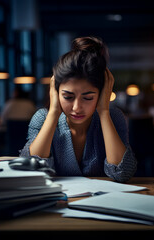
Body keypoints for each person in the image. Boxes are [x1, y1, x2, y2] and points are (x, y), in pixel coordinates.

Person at [20, 36, 136, 182]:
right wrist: (54, 112)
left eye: (88, 98)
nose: (77, 108)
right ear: (55, 92)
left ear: (102, 94)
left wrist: (104, 112)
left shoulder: (114, 117)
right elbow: (29, 172)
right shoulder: (42, 118)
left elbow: (123, 173)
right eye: (68, 97)